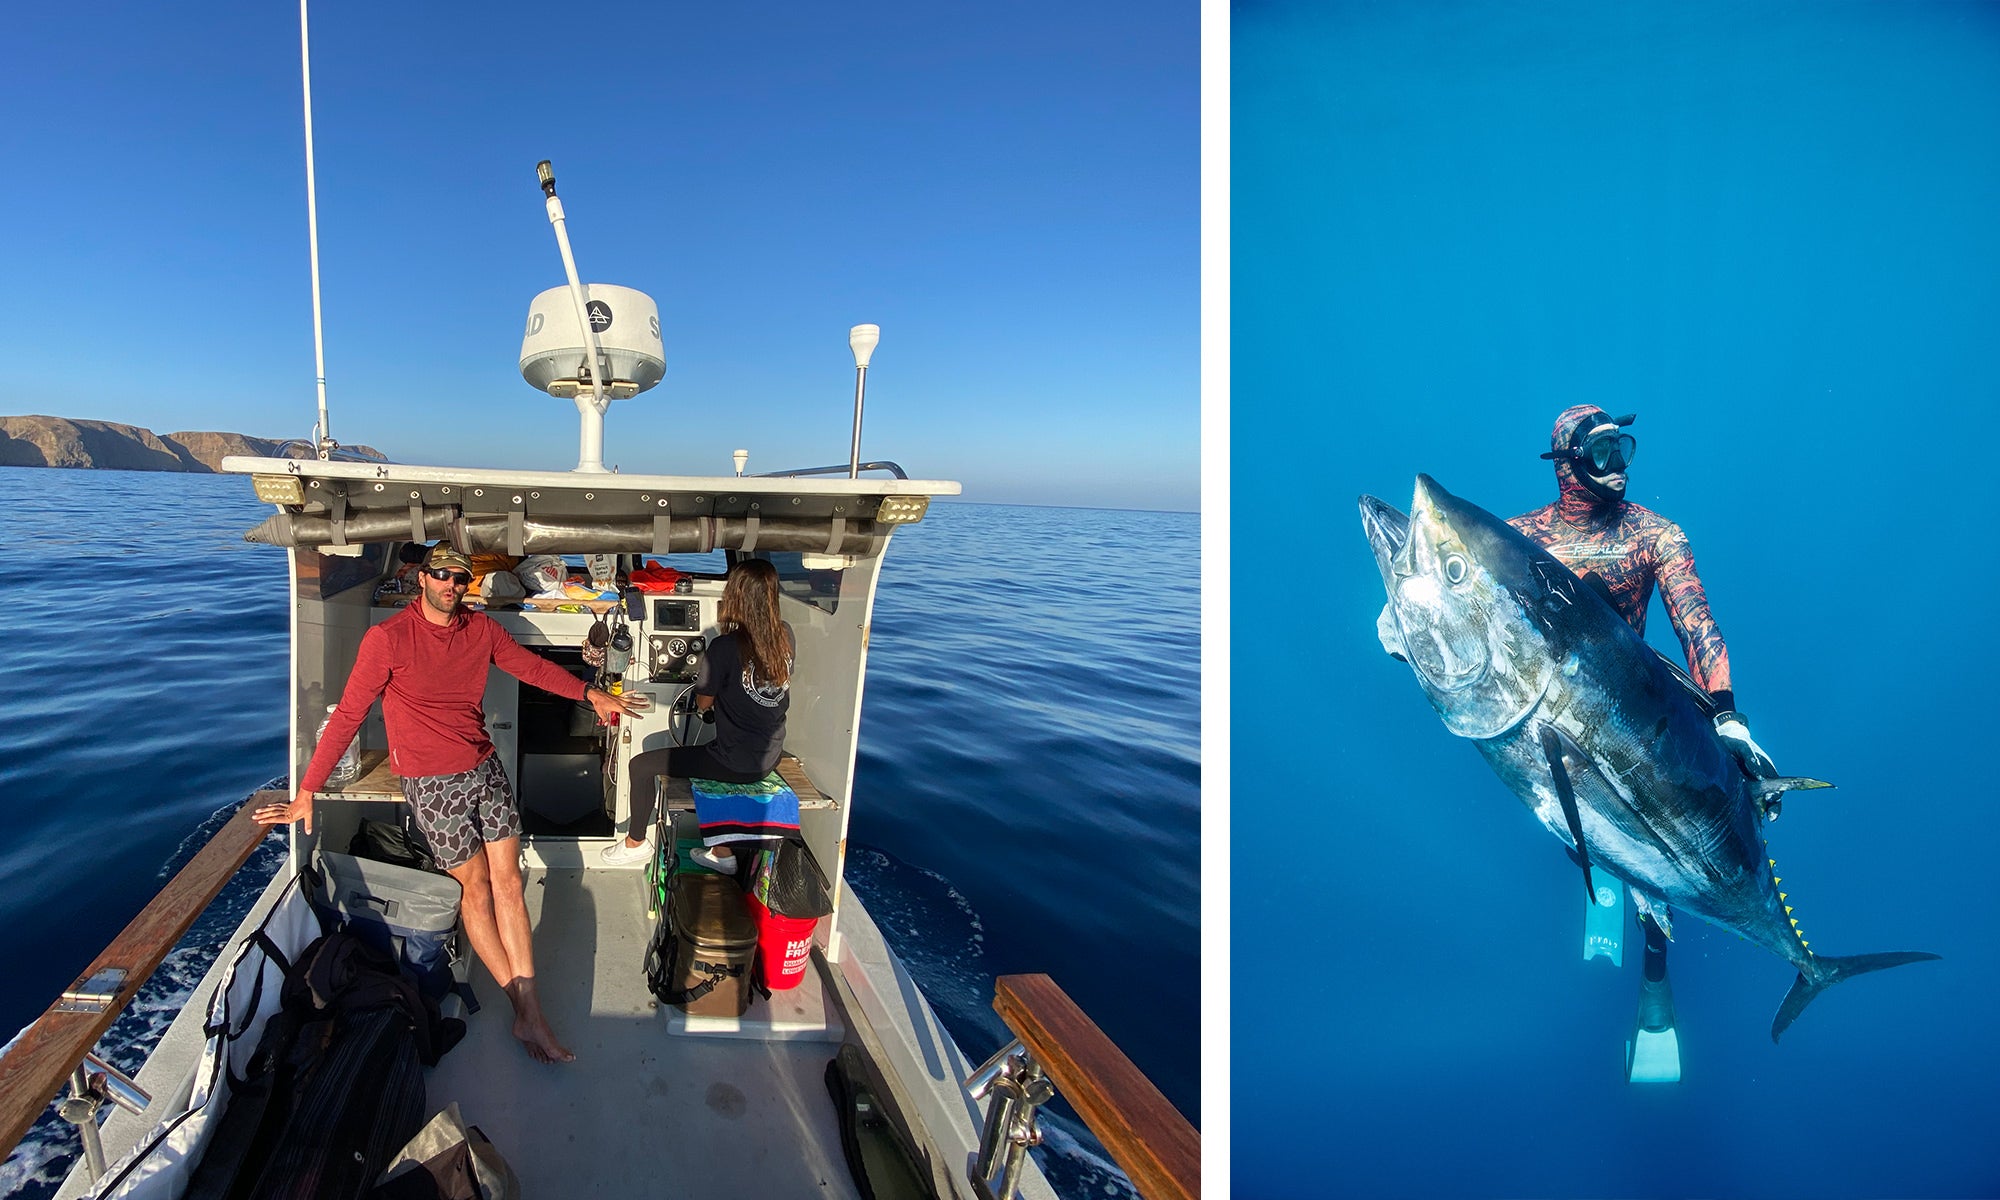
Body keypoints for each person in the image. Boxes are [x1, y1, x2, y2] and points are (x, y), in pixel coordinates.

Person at [254, 543, 639, 1064]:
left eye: (460, 578)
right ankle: (521, 1005)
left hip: (483, 767)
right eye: (442, 575)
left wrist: (591, 695)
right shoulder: (386, 639)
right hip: (432, 785)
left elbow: (531, 667)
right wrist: (307, 791)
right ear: (421, 578)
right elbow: (348, 714)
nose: (451, 586)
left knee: (509, 883)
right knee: (475, 892)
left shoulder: (481, 630)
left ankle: (531, 1007)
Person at [1511, 405, 1778, 1081]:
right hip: (1557, 713)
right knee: (1587, 821)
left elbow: (1696, 619)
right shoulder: (1519, 540)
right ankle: (1601, 881)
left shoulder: (1654, 534)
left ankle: (1654, 994)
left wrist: (1728, 716)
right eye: (1603, 452)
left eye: (1624, 446)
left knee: (1664, 838)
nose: (1621, 463)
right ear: (1568, 463)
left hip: (1645, 710)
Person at [601, 558, 794, 871]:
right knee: (711, 755)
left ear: (737, 597)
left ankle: (635, 843)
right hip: (769, 757)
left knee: (640, 765)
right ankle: (722, 854)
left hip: (735, 762)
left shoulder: (724, 646)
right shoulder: (785, 638)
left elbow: (703, 703)